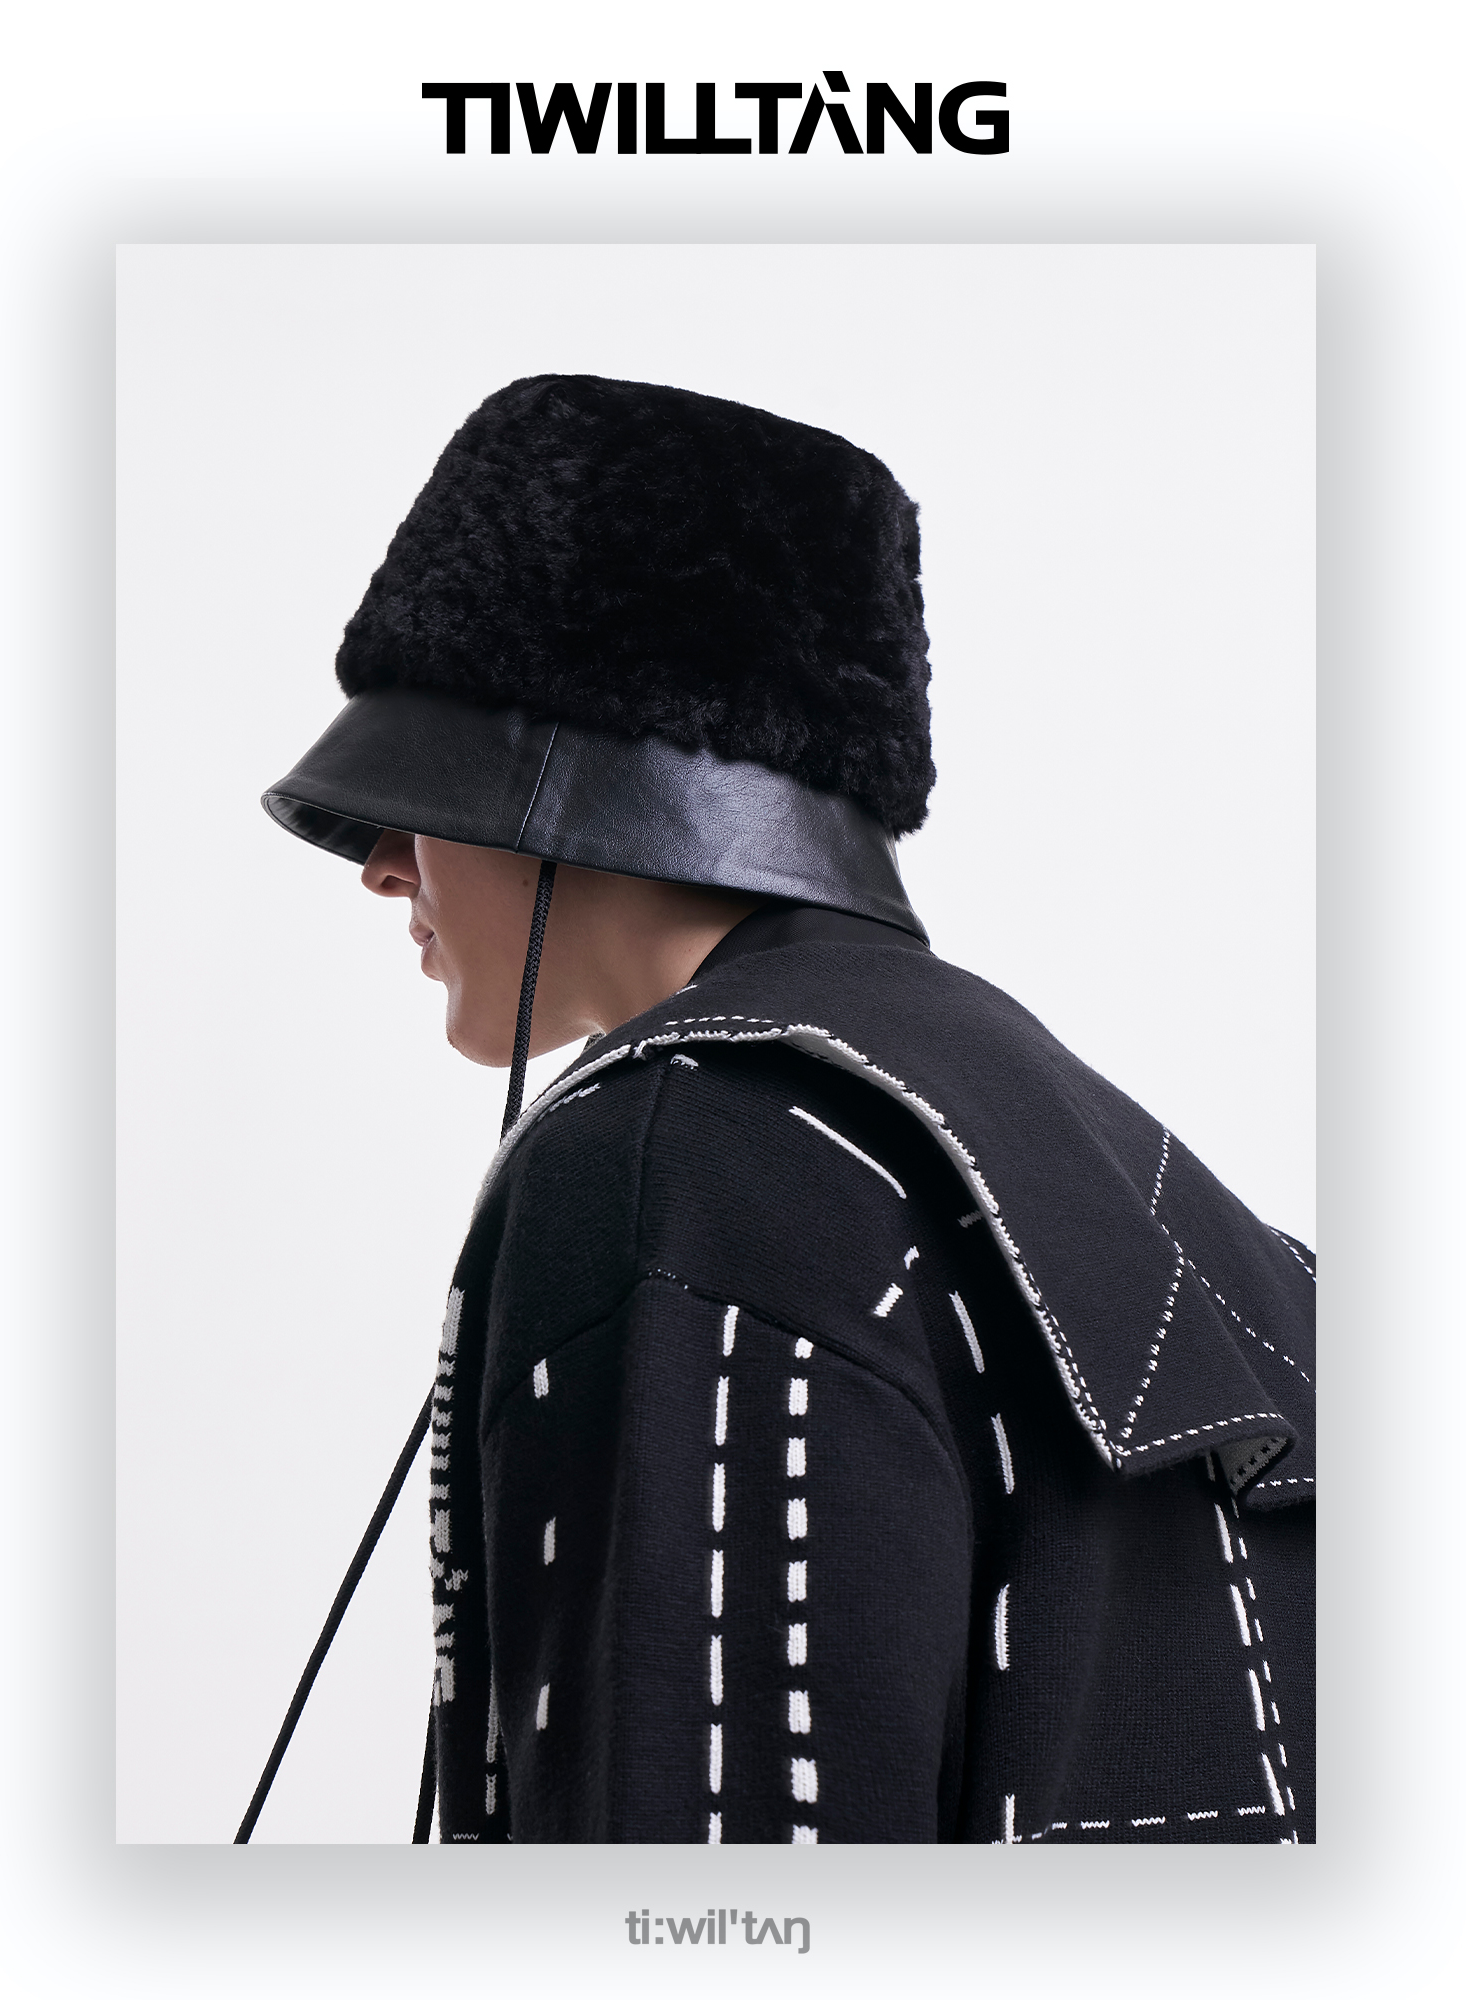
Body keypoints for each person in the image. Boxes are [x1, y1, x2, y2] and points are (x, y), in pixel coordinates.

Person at [260, 373, 1314, 1844]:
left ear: (560, 780)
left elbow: (692, 1909)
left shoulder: (689, 1149)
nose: (383, 866)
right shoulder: (1162, 1199)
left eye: (414, 792)